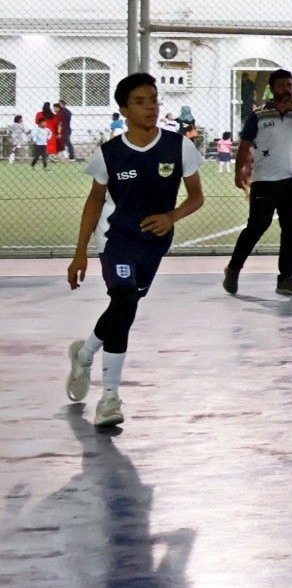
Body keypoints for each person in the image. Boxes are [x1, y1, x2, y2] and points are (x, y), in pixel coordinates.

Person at [63, 73, 205, 428]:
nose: (150, 107)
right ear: (124, 110)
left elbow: (196, 197)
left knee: (122, 307)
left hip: (152, 246)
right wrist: (80, 253)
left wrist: (172, 217)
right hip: (116, 241)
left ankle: (84, 354)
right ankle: (109, 398)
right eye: (140, 102)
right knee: (125, 301)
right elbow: (94, 202)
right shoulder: (109, 154)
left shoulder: (179, 147)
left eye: (153, 99)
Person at [224, 68, 292, 298]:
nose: (286, 89)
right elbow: (245, 145)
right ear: (272, 88)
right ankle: (234, 268)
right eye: (281, 85)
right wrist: (239, 172)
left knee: (291, 231)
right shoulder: (259, 115)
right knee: (256, 227)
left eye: (290, 85)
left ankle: (286, 279)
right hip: (264, 182)